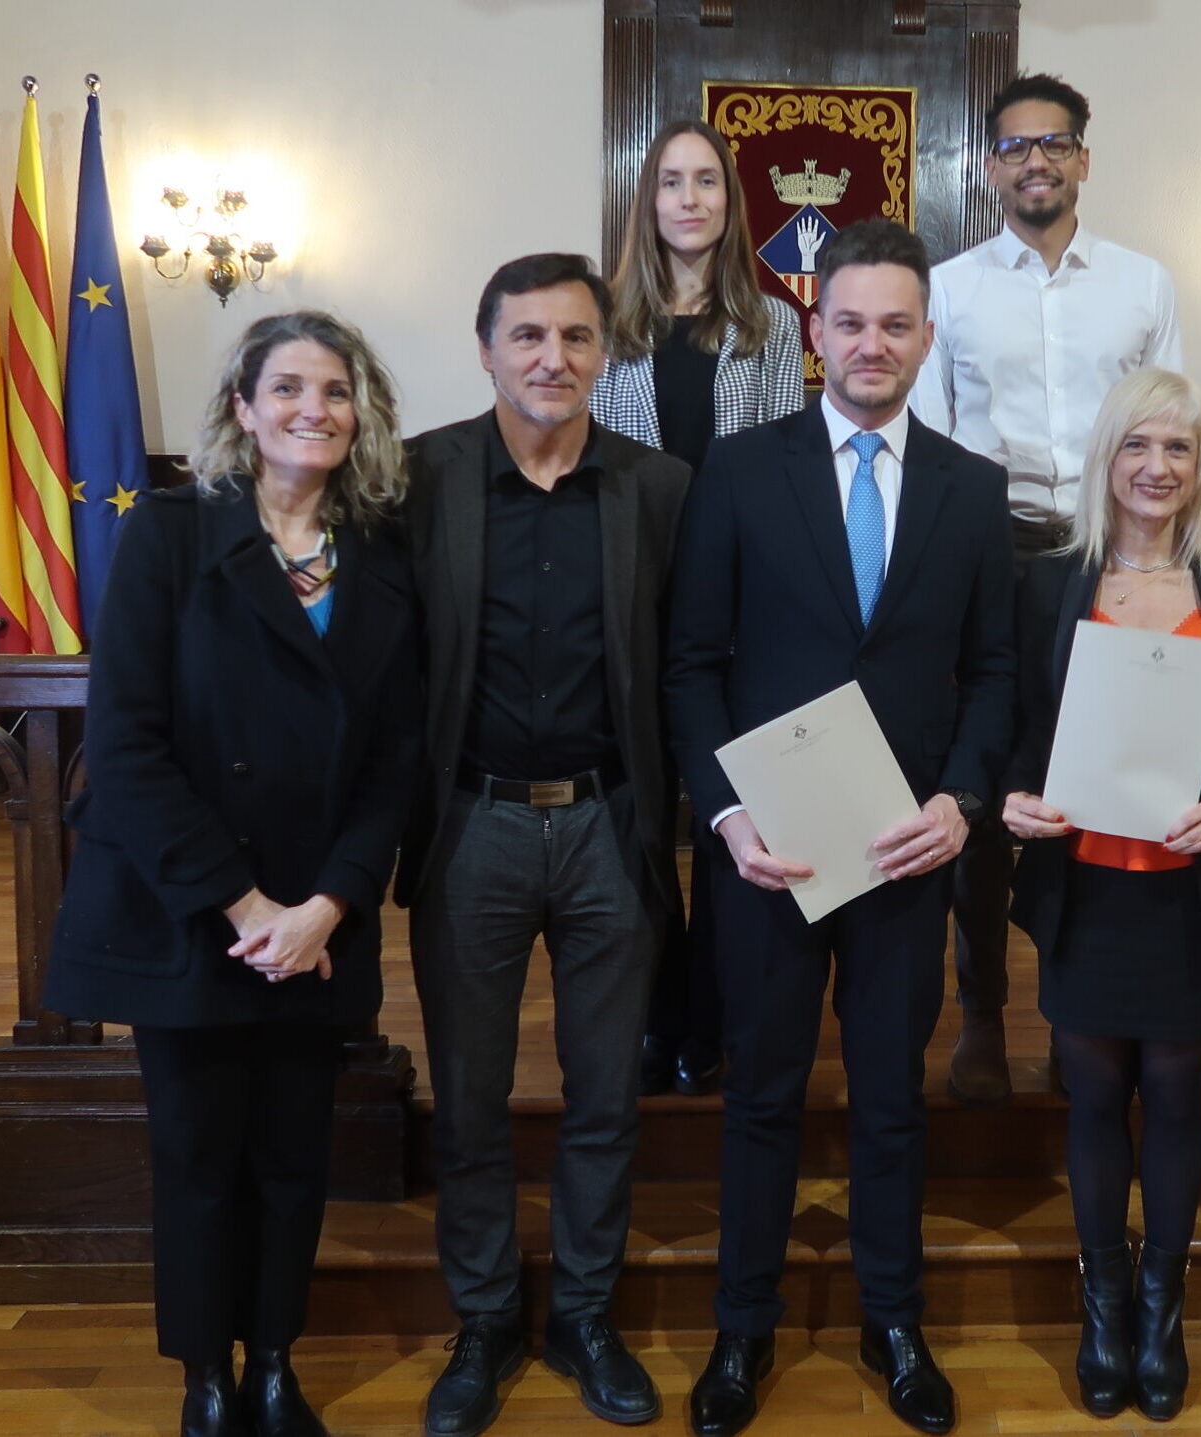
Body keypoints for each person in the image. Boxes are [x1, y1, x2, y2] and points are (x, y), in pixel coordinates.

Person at [665, 218, 1015, 1437]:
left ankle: (894, 1321)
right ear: (816, 333)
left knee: (889, 1102)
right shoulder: (741, 469)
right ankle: (742, 1329)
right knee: (759, 1095)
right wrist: (725, 810)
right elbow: (693, 663)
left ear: (927, 338)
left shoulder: (974, 490)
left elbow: (995, 673)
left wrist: (962, 801)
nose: (873, 343)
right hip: (773, 851)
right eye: (851, 322)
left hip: (904, 850)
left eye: (897, 324)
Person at [42, 311, 419, 1437]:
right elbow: (125, 746)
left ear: (362, 418)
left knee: (295, 1159)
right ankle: (207, 1376)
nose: (315, 409)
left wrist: (329, 904)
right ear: (244, 409)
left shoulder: (384, 557)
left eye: (337, 392)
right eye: (290, 389)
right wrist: (248, 906)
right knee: (200, 1159)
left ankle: (275, 1364)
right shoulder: (169, 536)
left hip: (319, 917)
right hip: (194, 913)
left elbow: (399, 756)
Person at [398, 254, 691, 1435]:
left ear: (603, 357)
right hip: (469, 825)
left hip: (610, 828)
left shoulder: (659, 488)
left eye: (575, 339)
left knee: (606, 1095)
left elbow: (691, 664)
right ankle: (484, 1321)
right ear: (486, 350)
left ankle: (582, 1312)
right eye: (527, 338)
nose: (551, 360)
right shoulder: (420, 477)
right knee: (468, 1100)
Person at [1002, 368, 1201, 1422]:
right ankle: (1102, 1299)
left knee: (1173, 1099)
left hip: (1189, 889)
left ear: (1200, 465)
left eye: (1179, 449)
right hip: (1086, 887)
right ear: (1106, 460)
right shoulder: (1051, 583)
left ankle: (1162, 1305)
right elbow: (1021, 728)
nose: (1158, 468)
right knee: (1091, 1099)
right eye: (1138, 447)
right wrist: (1016, 796)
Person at [911, 72, 1184, 1107]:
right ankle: (983, 1012)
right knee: (990, 789)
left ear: (1082, 158)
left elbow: (1173, 420)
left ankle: (1090, 1006)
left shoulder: (1142, 284)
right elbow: (932, 440)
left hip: (1107, 557)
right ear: (990, 168)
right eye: (1016, 147)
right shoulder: (950, 286)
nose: (1036, 161)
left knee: (1105, 781)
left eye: (1054, 144)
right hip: (990, 557)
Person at [591, 116, 806, 1099]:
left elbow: (776, 472)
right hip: (632, 598)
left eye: (707, 182)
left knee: (731, 815)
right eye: (672, 181)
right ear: (650, 202)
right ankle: (655, 1011)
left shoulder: (771, 326)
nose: (689, 198)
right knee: (643, 820)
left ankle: (709, 1017)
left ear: (730, 202)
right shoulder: (605, 325)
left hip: (735, 603)